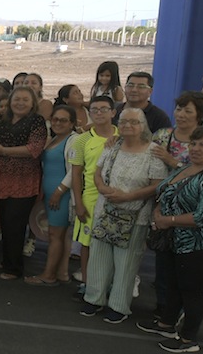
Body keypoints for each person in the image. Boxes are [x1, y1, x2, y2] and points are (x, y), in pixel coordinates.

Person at [138, 126, 203, 352]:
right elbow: (165, 191)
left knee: (191, 291)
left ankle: (189, 339)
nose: (196, 148)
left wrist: (167, 220)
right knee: (173, 285)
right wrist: (159, 212)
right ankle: (167, 324)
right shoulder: (187, 168)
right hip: (174, 239)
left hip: (199, 243)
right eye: (194, 143)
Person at [80, 108, 167, 323]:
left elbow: (157, 185)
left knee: (126, 263)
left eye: (134, 122)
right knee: (98, 258)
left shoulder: (153, 152)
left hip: (135, 217)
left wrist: (128, 196)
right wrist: (102, 188)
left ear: (143, 126)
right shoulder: (112, 145)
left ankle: (118, 306)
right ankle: (93, 299)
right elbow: (97, 172)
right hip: (106, 211)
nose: (128, 125)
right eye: (124, 121)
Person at [0, 86, 48, 280]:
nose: (20, 103)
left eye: (25, 100)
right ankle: (7, 261)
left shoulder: (36, 121)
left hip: (23, 180)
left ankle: (15, 268)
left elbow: (34, 149)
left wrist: (3, 151)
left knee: (16, 224)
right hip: (1, 178)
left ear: (32, 103)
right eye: (17, 99)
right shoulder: (4, 120)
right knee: (5, 222)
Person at [25, 106, 79, 286]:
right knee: (60, 236)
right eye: (55, 119)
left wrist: (58, 192)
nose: (58, 123)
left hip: (60, 196)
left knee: (55, 235)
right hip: (50, 194)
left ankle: (48, 275)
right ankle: (61, 273)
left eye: (63, 120)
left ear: (72, 123)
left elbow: (74, 172)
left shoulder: (74, 141)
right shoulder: (54, 139)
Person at [71, 96, 118, 300]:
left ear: (113, 112)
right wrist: (78, 203)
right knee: (87, 244)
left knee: (111, 245)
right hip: (90, 199)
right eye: (95, 109)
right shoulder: (82, 139)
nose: (99, 113)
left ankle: (109, 284)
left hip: (116, 200)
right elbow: (76, 174)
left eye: (104, 109)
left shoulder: (122, 136)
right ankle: (87, 282)